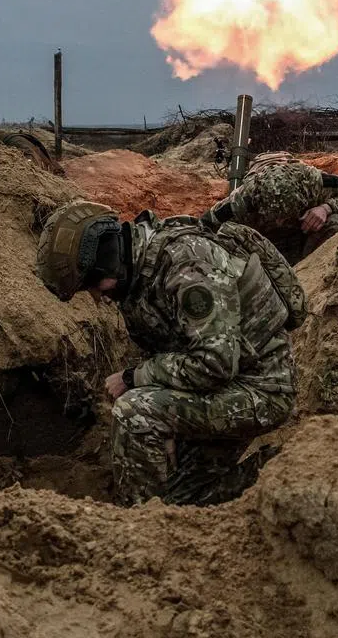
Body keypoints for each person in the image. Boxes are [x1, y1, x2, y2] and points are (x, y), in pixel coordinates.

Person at [35, 200, 298, 506]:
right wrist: (169, 418)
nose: (95, 297)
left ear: (106, 261)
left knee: (135, 412)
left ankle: (143, 529)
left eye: (93, 285)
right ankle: (270, 475)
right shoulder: (141, 268)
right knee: (180, 496)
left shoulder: (187, 265)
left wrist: (135, 379)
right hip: (222, 387)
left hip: (259, 390)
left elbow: (214, 363)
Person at [200, 151, 338, 264]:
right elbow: (204, 225)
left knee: (334, 221)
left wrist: (326, 208)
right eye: (275, 216)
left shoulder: (315, 182)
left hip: (302, 232)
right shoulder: (241, 201)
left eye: (285, 216)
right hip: (263, 241)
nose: (280, 222)